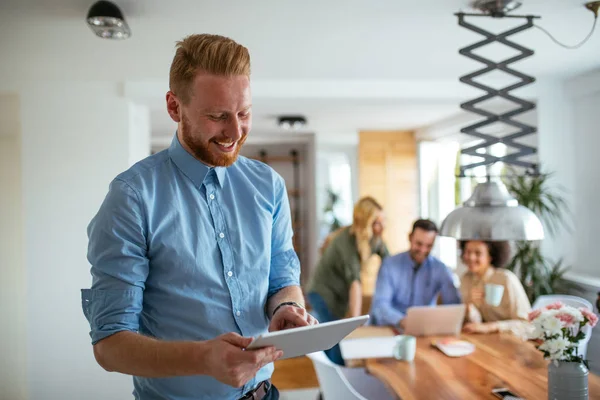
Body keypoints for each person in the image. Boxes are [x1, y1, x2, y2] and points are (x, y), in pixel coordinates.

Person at [80, 34, 317, 400]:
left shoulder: (268, 185)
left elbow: (282, 274)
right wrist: (203, 358)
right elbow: (110, 344)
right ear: (175, 107)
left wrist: (287, 306)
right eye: (218, 116)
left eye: (244, 113)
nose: (236, 133)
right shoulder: (132, 198)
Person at [306, 196, 389, 365]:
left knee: (338, 339)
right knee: (334, 342)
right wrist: (355, 321)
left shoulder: (374, 239)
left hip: (340, 295)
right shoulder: (346, 243)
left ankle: (331, 385)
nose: (381, 227)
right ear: (365, 223)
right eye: (376, 223)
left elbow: (390, 264)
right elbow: (355, 284)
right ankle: (334, 384)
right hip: (323, 293)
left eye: (382, 221)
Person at [370, 219, 461, 329]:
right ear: (410, 237)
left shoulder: (440, 269)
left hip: (424, 329)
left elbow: (454, 306)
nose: (423, 250)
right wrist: (401, 320)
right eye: (419, 244)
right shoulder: (389, 265)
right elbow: (380, 306)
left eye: (429, 246)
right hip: (391, 328)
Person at [459, 240, 531, 334]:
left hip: (511, 340)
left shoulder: (506, 279)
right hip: (487, 340)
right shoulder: (466, 278)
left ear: (490, 256)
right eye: (468, 252)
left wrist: (492, 327)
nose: (471, 257)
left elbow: (527, 323)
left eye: (478, 253)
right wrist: (469, 305)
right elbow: (475, 322)